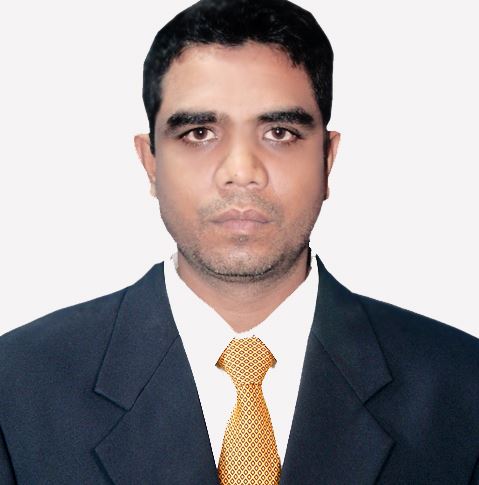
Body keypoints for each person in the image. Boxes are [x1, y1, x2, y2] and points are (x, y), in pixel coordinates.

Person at [1, 0, 478, 483]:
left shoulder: (464, 387)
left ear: (328, 158)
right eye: (199, 132)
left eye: (280, 132)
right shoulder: (16, 388)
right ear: (150, 162)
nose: (241, 171)